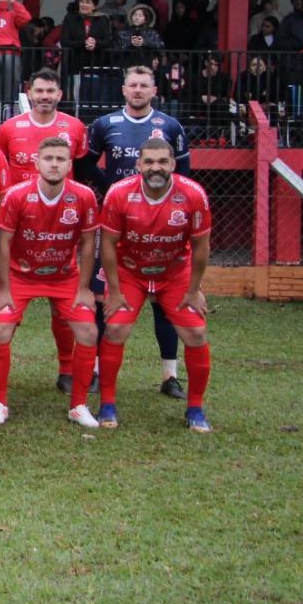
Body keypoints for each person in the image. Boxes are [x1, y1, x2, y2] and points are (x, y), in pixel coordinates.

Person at [82, 65, 192, 399]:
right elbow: (85, 164)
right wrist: (110, 188)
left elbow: (183, 172)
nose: (138, 90)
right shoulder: (105, 124)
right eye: (133, 85)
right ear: (124, 90)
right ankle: (98, 370)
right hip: (118, 222)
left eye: (145, 85)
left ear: (154, 90)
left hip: (161, 223)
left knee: (163, 300)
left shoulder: (170, 126)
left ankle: (169, 375)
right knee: (104, 297)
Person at [97, 138, 213, 432]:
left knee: (196, 333)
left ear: (173, 164)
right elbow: (107, 245)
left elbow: (201, 248)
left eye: (162, 162)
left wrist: (194, 289)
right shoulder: (119, 193)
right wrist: (114, 290)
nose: (155, 168)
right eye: (148, 162)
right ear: (138, 166)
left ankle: (196, 408)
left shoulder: (193, 194)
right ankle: (107, 403)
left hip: (174, 273)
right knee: (115, 328)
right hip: (130, 271)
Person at [0, 138, 100, 426]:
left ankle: (78, 405)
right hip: (20, 275)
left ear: (69, 164)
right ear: (37, 163)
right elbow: (3, 243)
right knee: (0, 329)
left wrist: (84, 287)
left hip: (64, 277)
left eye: (60, 159)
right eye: (48, 158)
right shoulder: (16, 195)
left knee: (88, 331)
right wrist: (3, 288)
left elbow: (88, 244)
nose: (54, 163)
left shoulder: (84, 196)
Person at [0, 69, 88, 188]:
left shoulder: (76, 126)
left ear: (59, 95)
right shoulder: (8, 128)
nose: (45, 96)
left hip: (63, 202)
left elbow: (83, 170)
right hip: (20, 203)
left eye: (50, 91)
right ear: (29, 94)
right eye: (39, 91)